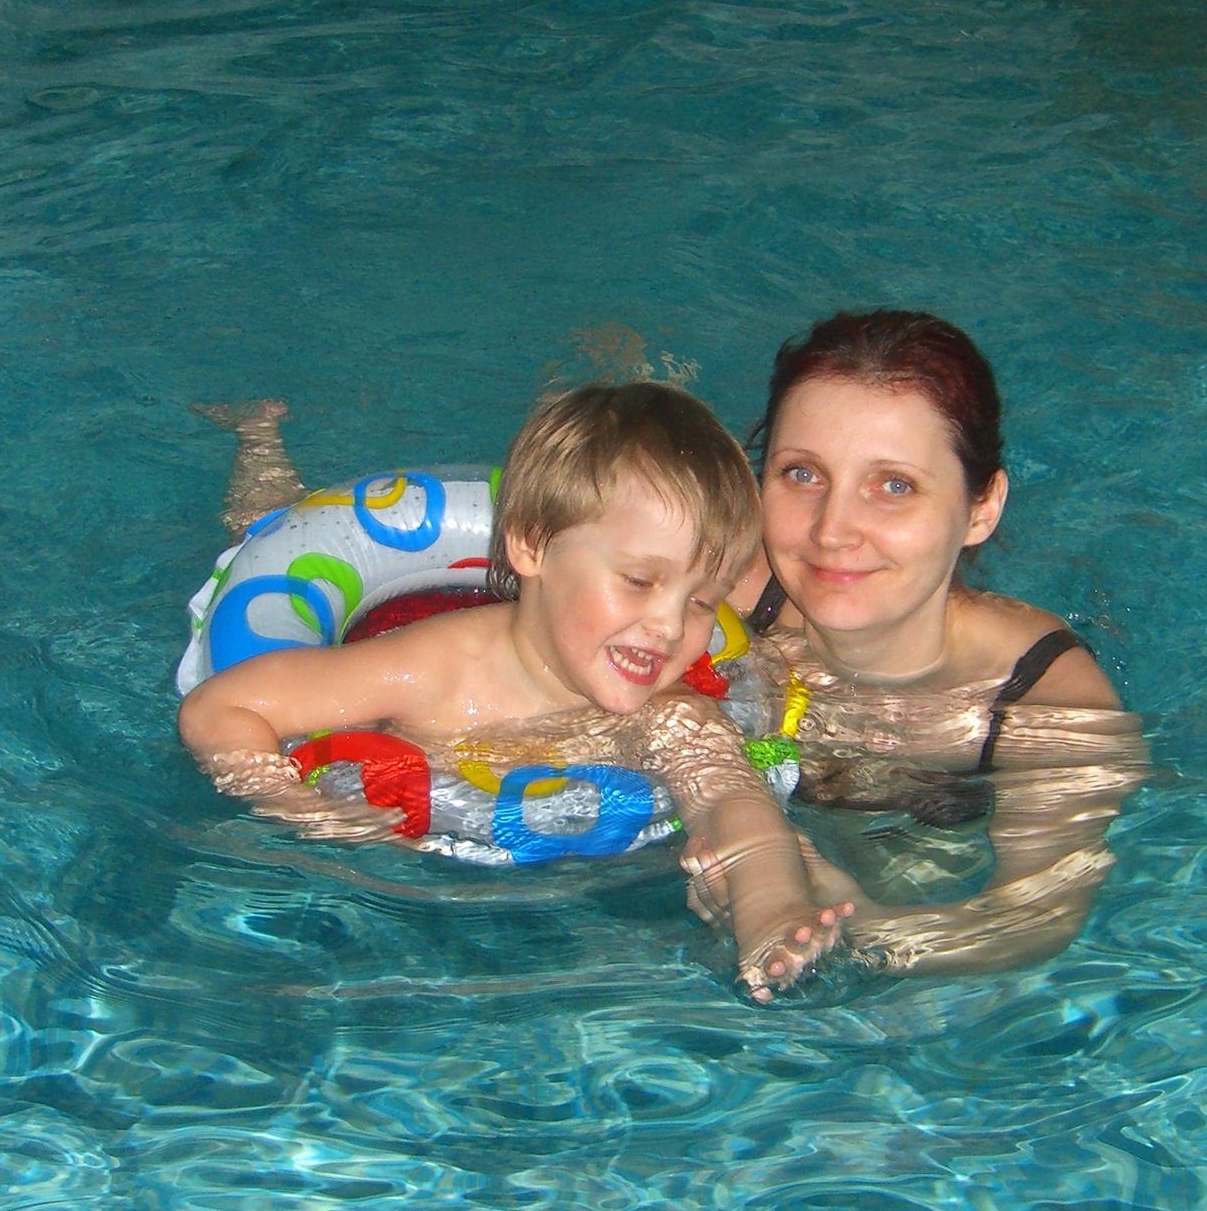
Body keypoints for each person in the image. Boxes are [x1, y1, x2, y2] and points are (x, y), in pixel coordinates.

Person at [179, 384, 847, 1001]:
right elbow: (221, 708)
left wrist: (773, 912)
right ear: (531, 545)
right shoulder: (430, 671)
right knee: (268, 523)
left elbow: (735, 805)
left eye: (701, 601)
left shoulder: (671, 713)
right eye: (640, 581)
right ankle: (258, 436)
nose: (671, 627)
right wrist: (299, 808)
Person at [707, 310, 1148, 974]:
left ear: (981, 509)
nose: (832, 530)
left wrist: (863, 929)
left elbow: (1036, 919)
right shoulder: (717, 592)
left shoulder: (1047, 705)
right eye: (802, 474)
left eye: (894, 485)